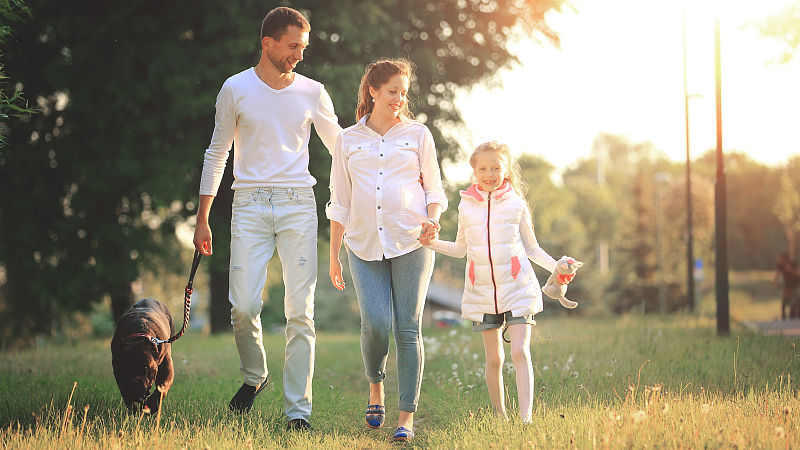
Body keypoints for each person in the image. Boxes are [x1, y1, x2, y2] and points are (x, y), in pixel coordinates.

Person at [193, 7, 341, 430]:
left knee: (301, 311)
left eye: (303, 47)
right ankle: (256, 377)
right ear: (268, 43)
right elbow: (217, 153)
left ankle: (298, 412)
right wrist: (202, 217)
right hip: (249, 205)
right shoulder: (235, 89)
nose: (299, 54)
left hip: (298, 203)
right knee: (242, 306)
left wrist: (389, 153)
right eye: (292, 46)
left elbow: (342, 147)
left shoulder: (313, 91)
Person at [326, 58, 447, 442]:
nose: (399, 99)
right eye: (392, 91)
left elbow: (434, 189)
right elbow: (339, 201)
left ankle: (406, 418)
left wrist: (432, 218)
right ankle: (375, 384)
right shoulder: (348, 139)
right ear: (373, 91)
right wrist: (333, 256)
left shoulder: (418, 134)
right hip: (362, 244)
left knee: (408, 329)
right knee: (376, 323)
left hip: (413, 241)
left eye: (403, 92)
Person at [422, 141, 573, 423]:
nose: (489, 174)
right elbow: (459, 249)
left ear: (506, 170)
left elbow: (532, 249)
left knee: (519, 351)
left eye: (496, 168)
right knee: (494, 359)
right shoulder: (466, 206)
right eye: (483, 168)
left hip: (518, 288)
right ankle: (500, 418)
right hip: (482, 292)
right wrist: (431, 244)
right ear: (474, 170)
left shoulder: (516, 203)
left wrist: (557, 267)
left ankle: (526, 418)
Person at [774, 252, 800, 319]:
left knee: (795, 297)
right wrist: (775, 282)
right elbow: (777, 274)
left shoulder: (793, 263)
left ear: (784, 259)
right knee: (784, 296)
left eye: (780, 258)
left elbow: (798, 273)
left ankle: (795, 312)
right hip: (787, 284)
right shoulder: (780, 265)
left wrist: (790, 269)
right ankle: (783, 314)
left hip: (796, 283)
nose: (778, 259)